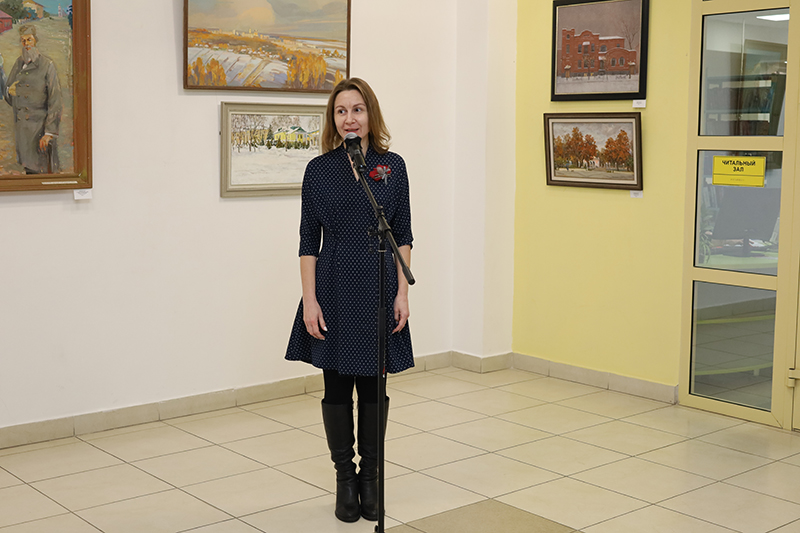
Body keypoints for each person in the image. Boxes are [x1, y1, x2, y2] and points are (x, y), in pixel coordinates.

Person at [285, 77, 413, 523]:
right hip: (333, 286)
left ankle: (370, 478)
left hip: (378, 286)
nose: (349, 119)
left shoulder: (392, 166)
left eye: (357, 109)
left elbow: (403, 234)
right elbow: (308, 241)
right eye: (341, 111)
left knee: (374, 387)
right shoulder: (318, 170)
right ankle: (344, 478)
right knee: (337, 387)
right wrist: (310, 300)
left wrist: (402, 293)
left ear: (370, 114)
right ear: (332, 119)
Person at [4, 24, 62, 174]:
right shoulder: (18, 63)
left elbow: (55, 100)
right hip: (23, 131)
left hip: (40, 131)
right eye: (23, 41)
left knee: (43, 171)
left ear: (35, 40)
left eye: (29, 39)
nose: (26, 44)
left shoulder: (47, 65)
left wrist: (49, 132)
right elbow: (8, 92)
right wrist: (10, 92)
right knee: (28, 169)